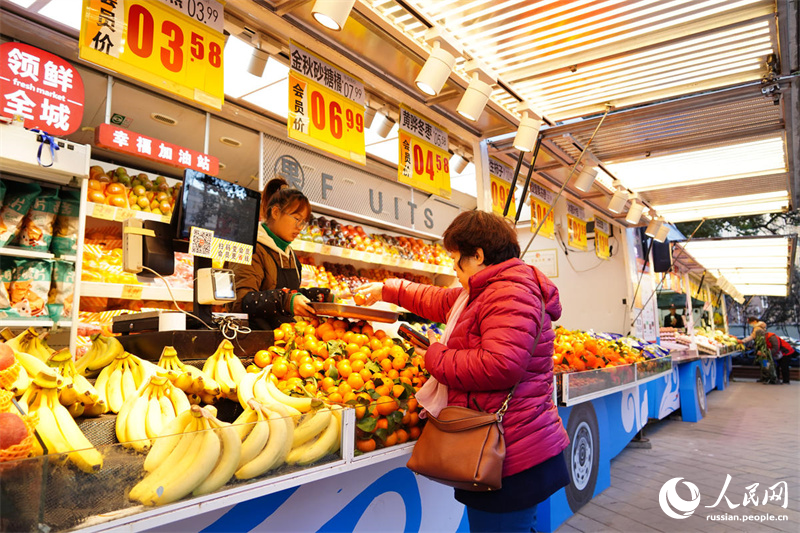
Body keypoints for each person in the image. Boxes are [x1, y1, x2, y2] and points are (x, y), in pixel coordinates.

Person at [357, 210, 570, 533]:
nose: (453, 270)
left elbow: (500, 366)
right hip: (509, 446)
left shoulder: (510, 292)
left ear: (478, 256)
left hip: (508, 453)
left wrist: (435, 355)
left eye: (457, 260)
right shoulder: (490, 289)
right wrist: (387, 290)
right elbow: (439, 300)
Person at [229, 178, 328, 330]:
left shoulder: (290, 255)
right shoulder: (251, 248)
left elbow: (287, 291)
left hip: (284, 339)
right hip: (254, 341)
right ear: (275, 212)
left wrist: (322, 297)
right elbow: (241, 301)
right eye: (297, 219)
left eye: (303, 222)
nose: (300, 227)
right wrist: (285, 301)